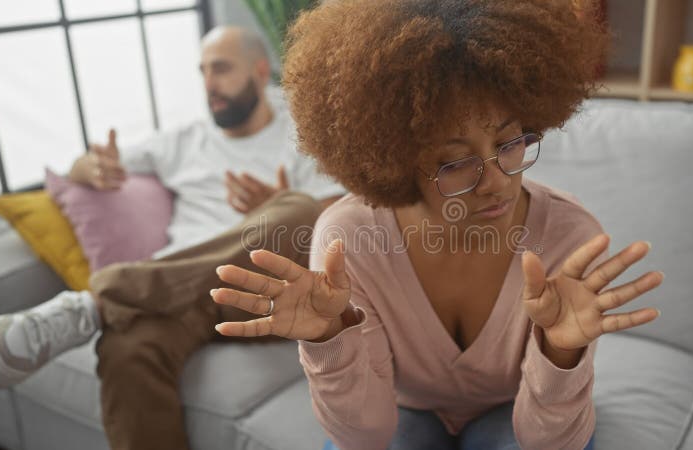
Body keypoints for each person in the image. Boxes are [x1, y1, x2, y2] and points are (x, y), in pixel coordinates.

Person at [210, 1, 663, 450]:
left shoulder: (568, 236)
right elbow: (366, 437)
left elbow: (548, 442)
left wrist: (561, 353)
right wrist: (328, 343)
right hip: (404, 409)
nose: (496, 182)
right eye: (455, 162)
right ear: (397, 162)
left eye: (509, 142)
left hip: (515, 406)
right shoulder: (348, 240)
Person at [0, 26, 343, 449]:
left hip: (264, 292)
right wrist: (87, 168)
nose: (209, 83)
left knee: (300, 207)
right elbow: (87, 163)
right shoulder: (182, 140)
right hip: (179, 294)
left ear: (259, 69)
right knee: (126, 350)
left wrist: (277, 204)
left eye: (222, 69)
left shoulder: (302, 134)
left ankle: (99, 300)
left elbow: (335, 224)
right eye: (202, 72)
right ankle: (109, 303)